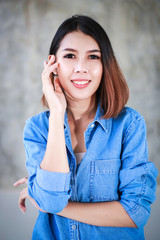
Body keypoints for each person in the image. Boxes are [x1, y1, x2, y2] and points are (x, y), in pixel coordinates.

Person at [14, 15, 158, 240]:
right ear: (52, 64)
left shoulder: (129, 125)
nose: (81, 67)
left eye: (93, 57)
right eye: (70, 55)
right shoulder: (37, 128)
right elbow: (50, 200)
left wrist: (43, 198)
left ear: (104, 65)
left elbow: (135, 212)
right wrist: (56, 115)